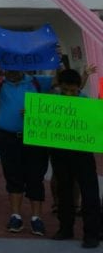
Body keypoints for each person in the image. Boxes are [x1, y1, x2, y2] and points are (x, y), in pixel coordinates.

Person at [0, 68, 54, 235]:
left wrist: (36, 113)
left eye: (15, 68)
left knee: (35, 177)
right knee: (13, 176)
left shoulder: (37, 81)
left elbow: (59, 92)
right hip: (8, 138)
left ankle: (37, 218)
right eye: (7, 68)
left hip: (34, 138)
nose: (11, 72)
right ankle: (16, 216)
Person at [50, 69, 100, 248]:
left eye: (73, 90)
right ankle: (65, 228)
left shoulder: (86, 102)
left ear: (79, 88)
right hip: (60, 153)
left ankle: (92, 234)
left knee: (89, 193)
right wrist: (31, 115)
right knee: (64, 191)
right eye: (65, 90)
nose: (70, 94)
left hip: (82, 153)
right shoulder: (52, 103)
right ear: (60, 88)